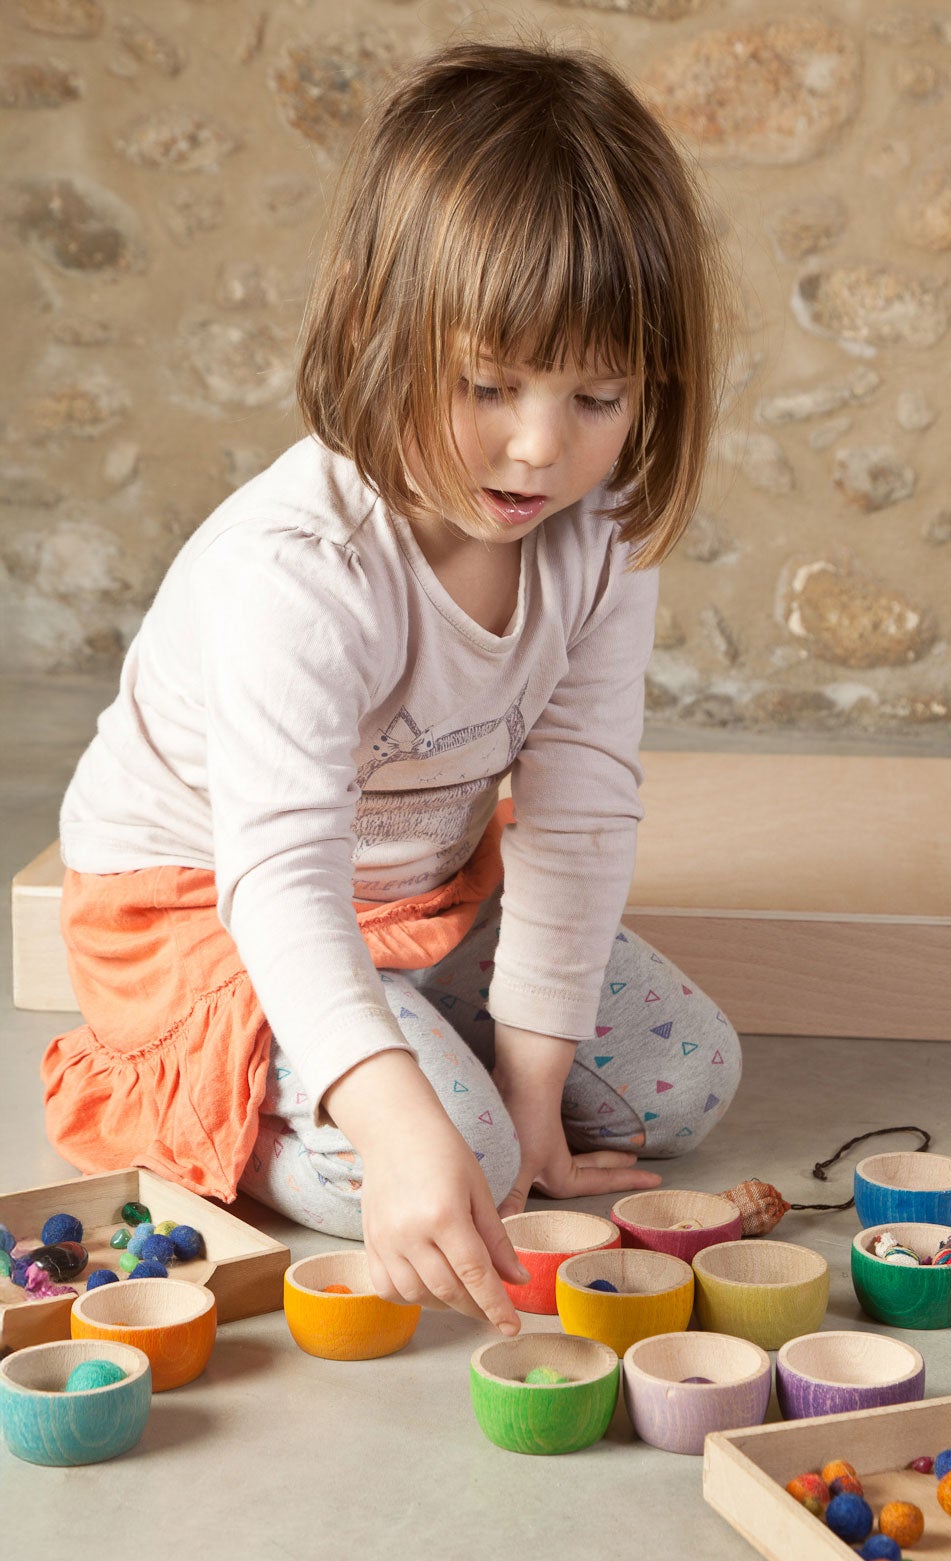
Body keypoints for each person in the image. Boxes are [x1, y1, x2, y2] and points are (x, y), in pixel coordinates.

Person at [41, 39, 741, 1338]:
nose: (540, 445)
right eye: (489, 383)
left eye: (596, 394)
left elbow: (578, 812)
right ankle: (242, 1091)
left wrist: (534, 1091)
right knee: (445, 1166)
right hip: (211, 908)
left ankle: (398, 1054)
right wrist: (418, 1126)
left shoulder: (600, 524)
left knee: (685, 1083)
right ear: (380, 326)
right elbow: (280, 879)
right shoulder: (300, 569)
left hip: (416, 892)